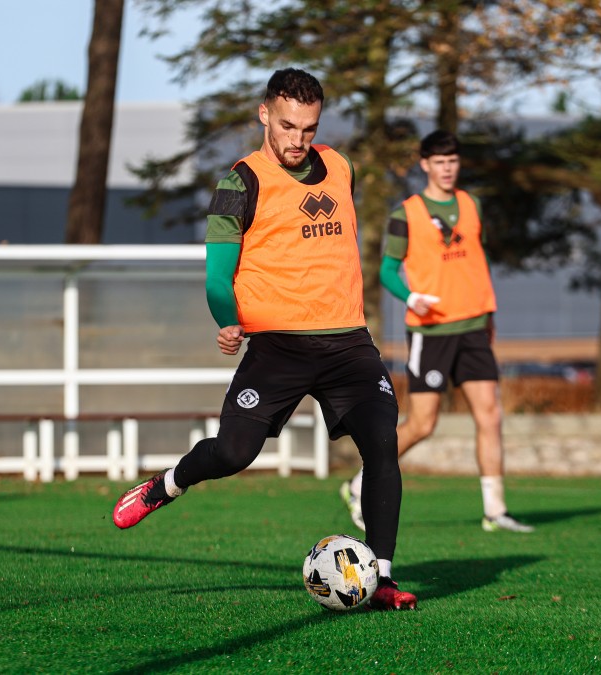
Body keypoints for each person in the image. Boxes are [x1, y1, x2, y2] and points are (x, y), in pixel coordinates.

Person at [111, 68, 417, 610]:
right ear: (264, 115)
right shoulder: (239, 184)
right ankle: (166, 485)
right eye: (287, 126)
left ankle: (382, 578)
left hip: (348, 342)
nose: (297, 139)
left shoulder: (342, 168)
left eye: (308, 127)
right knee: (233, 452)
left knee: (383, 445)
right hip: (278, 347)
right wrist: (226, 319)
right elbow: (215, 277)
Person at [339, 130, 533, 534]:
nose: (448, 169)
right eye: (440, 162)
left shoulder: (471, 205)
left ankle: (495, 510)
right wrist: (411, 298)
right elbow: (387, 272)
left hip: (474, 327)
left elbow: (476, 265)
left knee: (491, 416)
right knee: (424, 423)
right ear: (425, 164)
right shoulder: (405, 213)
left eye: (453, 161)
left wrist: (489, 313)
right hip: (431, 332)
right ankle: (359, 484)